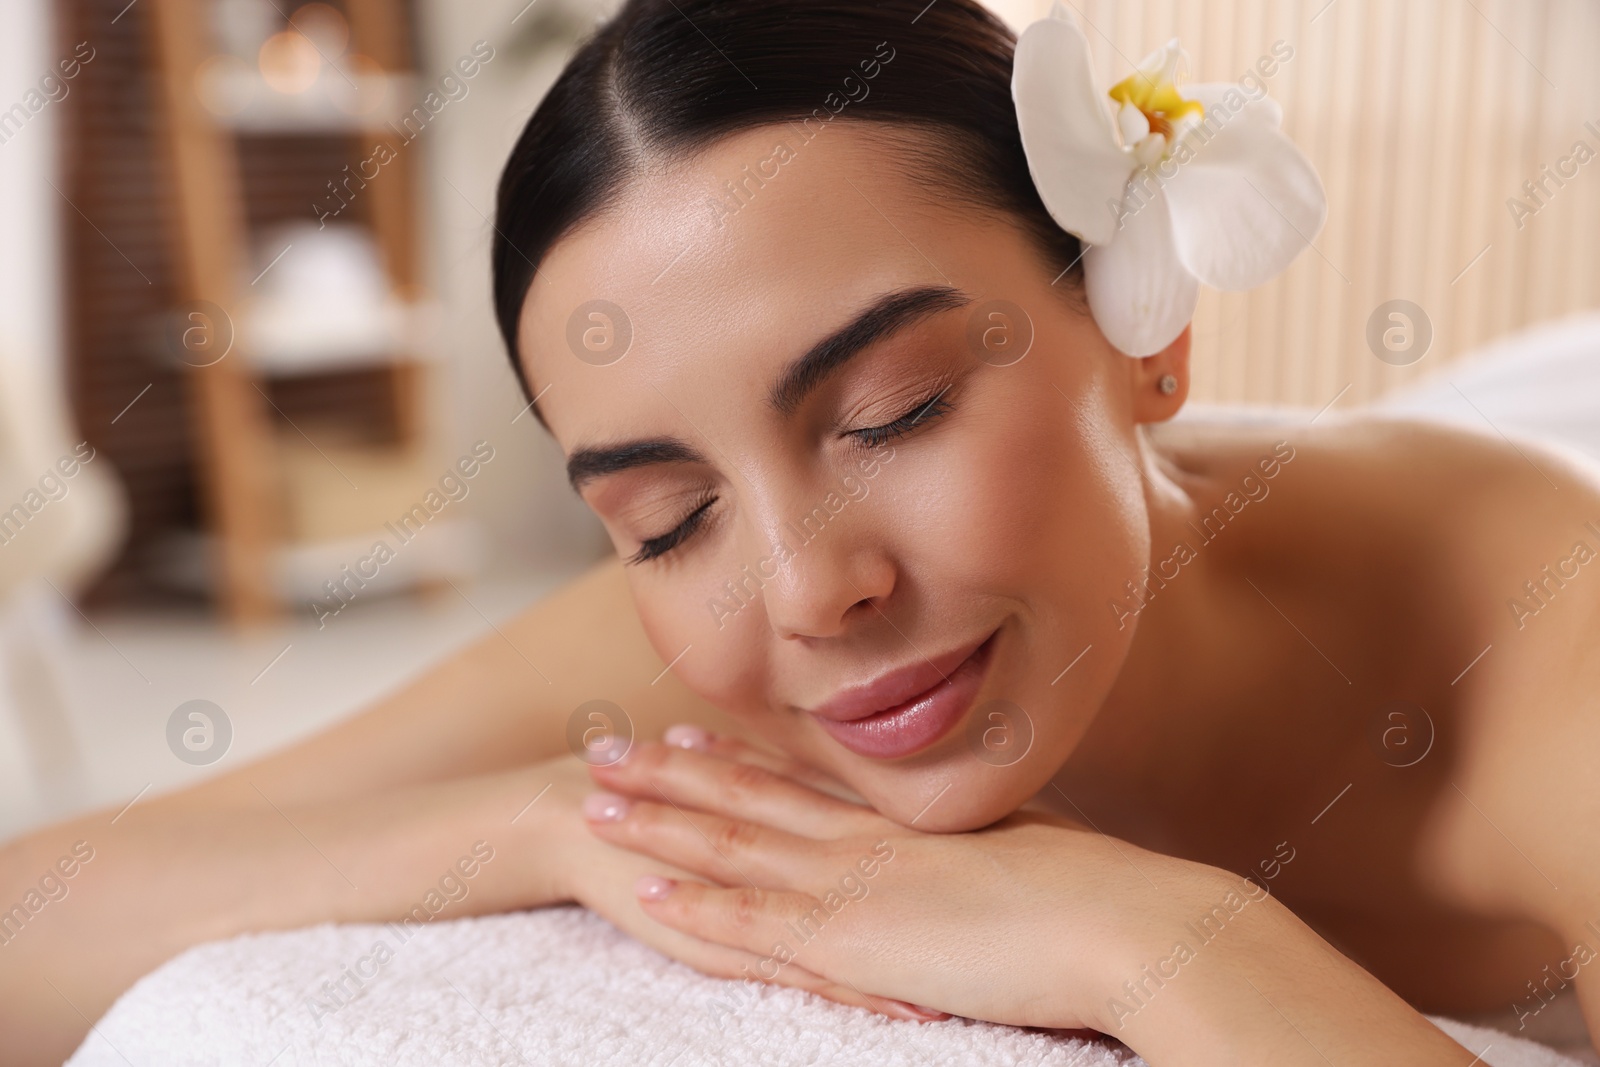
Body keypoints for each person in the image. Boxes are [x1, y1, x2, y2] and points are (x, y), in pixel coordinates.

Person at [5, 1, 1599, 1063]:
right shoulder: (719, 650)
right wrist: (562, 820)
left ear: (1144, 331)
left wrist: (1164, 937)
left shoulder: (1553, 666)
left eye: (893, 414)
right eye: (667, 514)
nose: (809, 591)